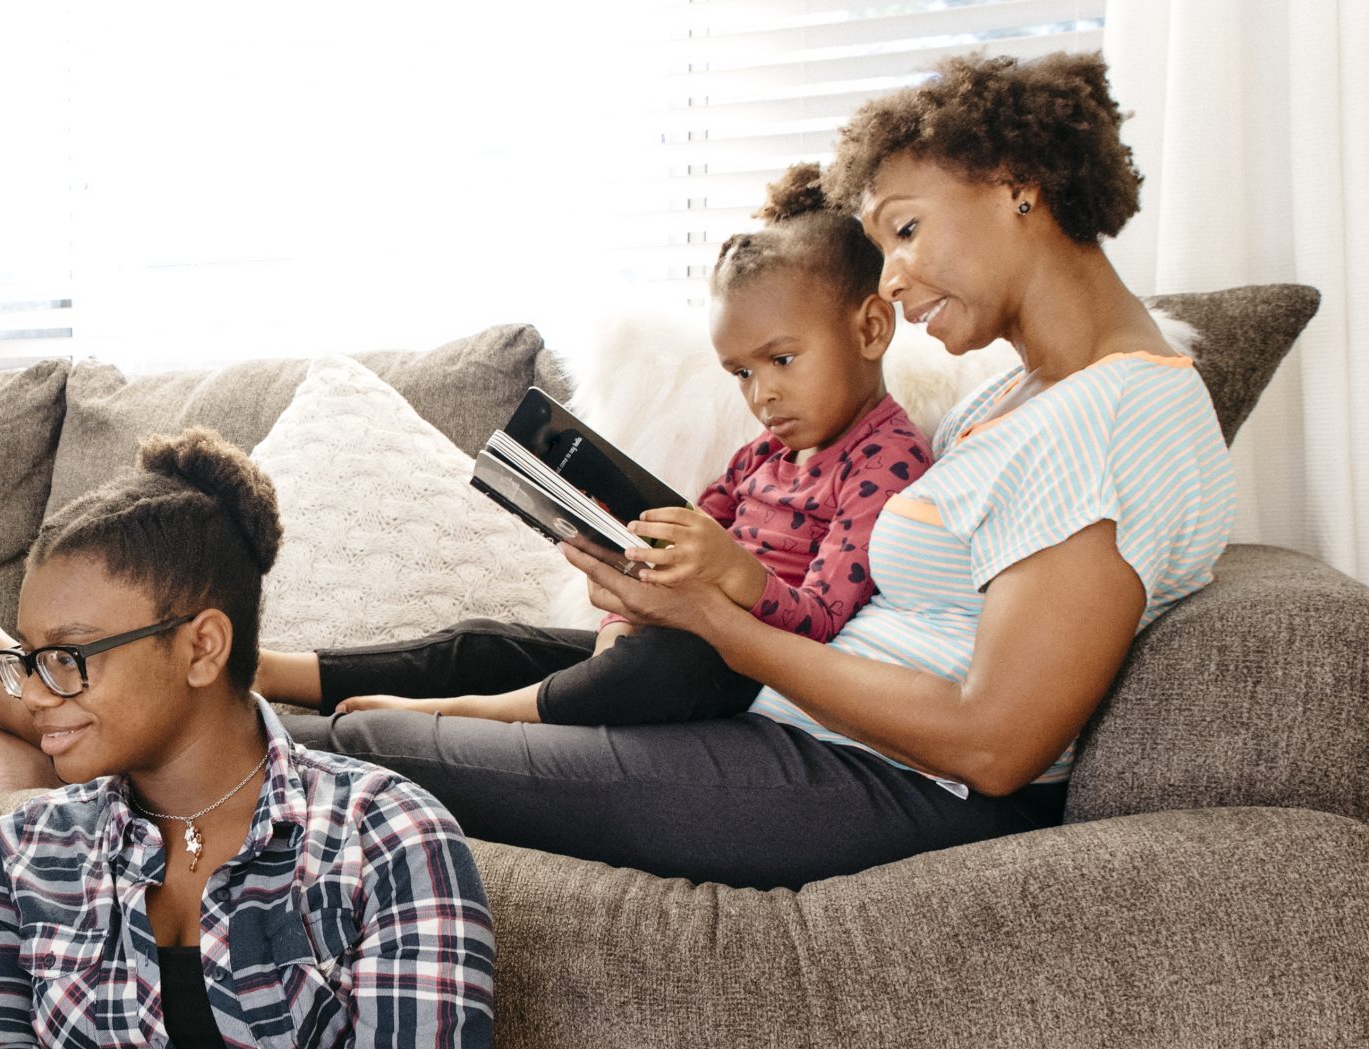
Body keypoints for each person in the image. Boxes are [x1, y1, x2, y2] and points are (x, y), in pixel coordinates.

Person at [256, 49, 1236, 889]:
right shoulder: (1019, 397)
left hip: (885, 782)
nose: (889, 276)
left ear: (1020, 183)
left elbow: (995, 741)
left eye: (904, 228)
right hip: (797, 716)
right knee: (468, 672)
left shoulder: (1115, 415)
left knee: (371, 750)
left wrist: (721, 624)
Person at [293, 161, 928, 728]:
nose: (761, 395)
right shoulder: (761, 455)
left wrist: (735, 572)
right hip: (674, 634)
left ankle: (467, 717)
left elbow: (821, 623)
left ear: (870, 328)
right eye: (741, 372)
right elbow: (669, 549)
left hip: (751, 669)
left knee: (663, 665)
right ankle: (276, 672)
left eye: (782, 360)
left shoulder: (886, 459)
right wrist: (623, 604)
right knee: (483, 644)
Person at [0, 430, 494, 1049]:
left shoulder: (390, 839)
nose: (34, 694)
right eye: (28, 659)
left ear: (202, 647)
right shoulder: (26, 852)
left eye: (68, 656)